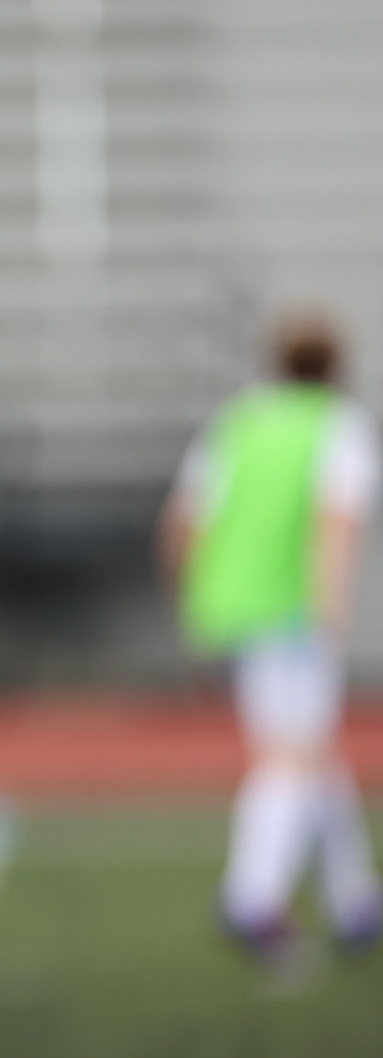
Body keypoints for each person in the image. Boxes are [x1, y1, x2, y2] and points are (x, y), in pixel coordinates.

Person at [162, 310, 383, 968]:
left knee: (310, 751)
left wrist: (193, 609)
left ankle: (353, 899)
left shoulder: (238, 423)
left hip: (233, 608)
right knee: (291, 757)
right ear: (335, 367)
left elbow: (181, 523)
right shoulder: (337, 426)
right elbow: (336, 524)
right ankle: (251, 895)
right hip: (291, 613)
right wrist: (331, 609)